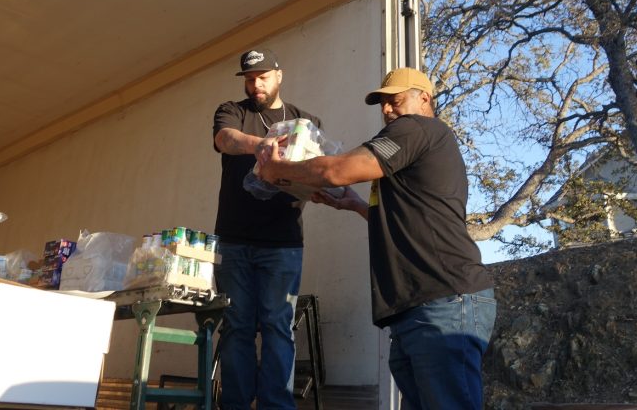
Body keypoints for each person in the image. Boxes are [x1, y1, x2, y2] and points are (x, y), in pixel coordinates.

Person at [255, 67, 496, 410]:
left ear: (424, 98)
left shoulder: (416, 128)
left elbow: (335, 171)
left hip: (442, 301)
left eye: (395, 100)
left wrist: (276, 170)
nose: (386, 110)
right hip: (422, 306)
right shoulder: (420, 148)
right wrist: (355, 205)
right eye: (382, 104)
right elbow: (412, 217)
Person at [212, 47, 322, 410]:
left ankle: (277, 405)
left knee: (278, 327)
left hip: (283, 243)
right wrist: (263, 145)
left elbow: (317, 172)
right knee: (237, 327)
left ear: (279, 75)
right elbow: (225, 140)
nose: (255, 84)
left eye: (262, 77)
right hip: (233, 241)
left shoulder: (305, 121)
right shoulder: (232, 111)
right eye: (249, 78)